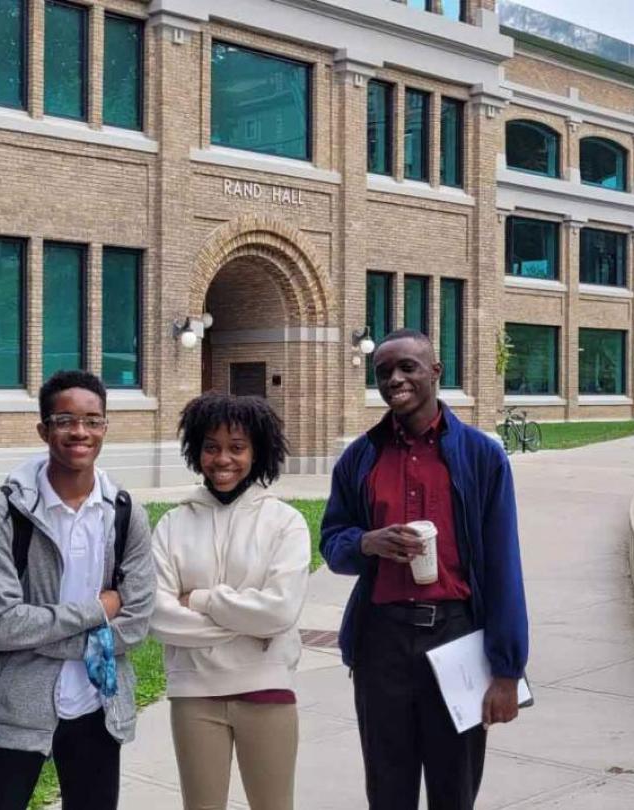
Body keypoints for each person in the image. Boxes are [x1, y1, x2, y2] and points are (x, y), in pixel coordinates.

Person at [320, 329, 528, 810]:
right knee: (387, 788)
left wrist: (507, 670)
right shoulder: (360, 458)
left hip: (456, 637)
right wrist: (366, 542)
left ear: (435, 372)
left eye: (407, 367)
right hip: (381, 644)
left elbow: (503, 567)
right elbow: (332, 544)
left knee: (454, 789)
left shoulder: (481, 456)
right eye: (384, 372)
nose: (395, 379)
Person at [0, 370, 156, 810]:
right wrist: (97, 610)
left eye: (93, 420)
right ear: (43, 429)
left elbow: (137, 622)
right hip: (14, 707)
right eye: (66, 420)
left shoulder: (125, 515)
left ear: (105, 427)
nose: (80, 432)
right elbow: (2, 625)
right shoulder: (4, 517)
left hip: (97, 706)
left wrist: (44, 636)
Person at [150, 393, 312, 810]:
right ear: (196, 450)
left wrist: (201, 599)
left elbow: (280, 611)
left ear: (258, 452)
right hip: (194, 694)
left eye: (237, 448)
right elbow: (158, 615)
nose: (223, 458)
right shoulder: (173, 523)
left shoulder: (284, 522)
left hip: (266, 689)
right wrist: (249, 623)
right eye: (211, 447)